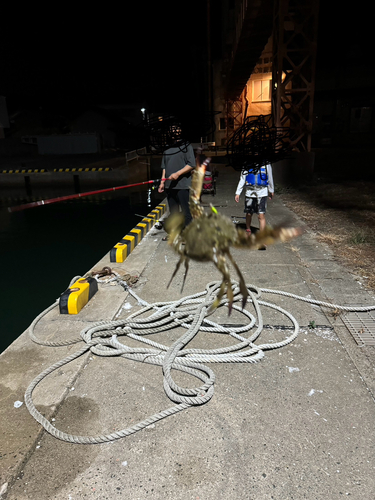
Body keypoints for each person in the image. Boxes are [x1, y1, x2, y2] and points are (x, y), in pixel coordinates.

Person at [158, 140, 196, 239]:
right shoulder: (167, 147)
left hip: (182, 185)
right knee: (173, 212)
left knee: (186, 211)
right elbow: (164, 167)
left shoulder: (187, 146)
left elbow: (191, 164)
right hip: (169, 186)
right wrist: (162, 182)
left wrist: (178, 173)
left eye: (177, 129)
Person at [234, 163, 274, 249]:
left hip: (262, 192)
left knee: (261, 215)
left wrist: (271, 190)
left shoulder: (266, 164)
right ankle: (248, 230)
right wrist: (238, 193)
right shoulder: (246, 164)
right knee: (249, 213)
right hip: (250, 192)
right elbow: (242, 178)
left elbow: (270, 177)